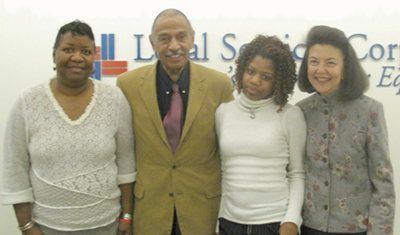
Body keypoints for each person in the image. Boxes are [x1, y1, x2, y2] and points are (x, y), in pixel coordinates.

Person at [0, 20, 136, 235]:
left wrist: (126, 217)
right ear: (54, 55)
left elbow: (127, 165)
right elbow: (14, 168)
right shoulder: (28, 102)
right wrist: (26, 226)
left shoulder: (114, 99)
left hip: (107, 226)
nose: (77, 57)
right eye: (68, 49)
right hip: (47, 228)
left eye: (86, 51)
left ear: (94, 58)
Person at [117, 8, 234, 235]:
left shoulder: (219, 85)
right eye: (164, 38)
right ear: (152, 43)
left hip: (202, 211)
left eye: (181, 36)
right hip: (150, 211)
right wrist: (126, 213)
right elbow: (123, 153)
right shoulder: (127, 85)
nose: (173, 46)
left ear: (192, 39)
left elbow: (229, 152)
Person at [297, 25, 395, 235]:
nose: (320, 70)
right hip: (309, 228)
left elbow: (383, 182)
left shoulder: (370, 111)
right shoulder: (301, 112)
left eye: (330, 63)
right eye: (314, 62)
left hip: (356, 230)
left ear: (345, 68)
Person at [215, 35, 306, 235]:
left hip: (274, 223)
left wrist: (291, 221)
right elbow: (224, 171)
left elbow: (297, 173)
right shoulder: (223, 112)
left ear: (278, 81)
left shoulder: (289, 115)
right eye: (250, 71)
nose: (254, 81)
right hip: (229, 224)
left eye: (266, 77)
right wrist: (218, 221)